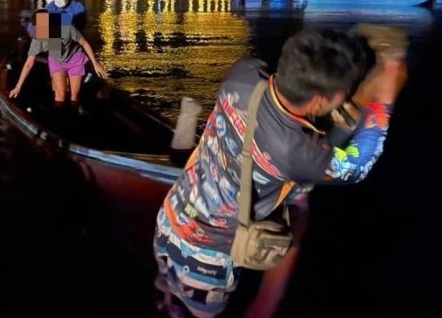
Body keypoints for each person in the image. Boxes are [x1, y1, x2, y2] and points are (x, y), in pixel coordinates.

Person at [153, 27, 408, 318]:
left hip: (171, 216)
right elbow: (358, 165)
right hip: (207, 257)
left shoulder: (243, 73)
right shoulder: (297, 152)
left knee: (168, 295)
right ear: (319, 102)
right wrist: (382, 102)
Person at [8, 9, 108, 106]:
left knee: (74, 96)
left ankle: (75, 113)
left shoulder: (67, 29)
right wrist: (18, 86)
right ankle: (59, 116)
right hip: (56, 61)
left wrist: (95, 64)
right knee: (60, 94)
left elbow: (84, 43)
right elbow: (29, 63)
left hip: (75, 59)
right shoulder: (38, 39)